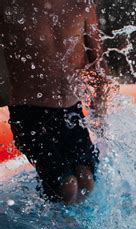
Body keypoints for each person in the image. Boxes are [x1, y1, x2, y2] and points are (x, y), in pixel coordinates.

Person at [0, 0, 110, 204]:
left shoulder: (82, 4)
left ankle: (72, 227)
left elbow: (97, 60)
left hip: (71, 111)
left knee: (87, 179)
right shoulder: (10, 5)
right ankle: (57, 228)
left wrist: (101, 107)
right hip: (30, 112)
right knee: (68, 185)